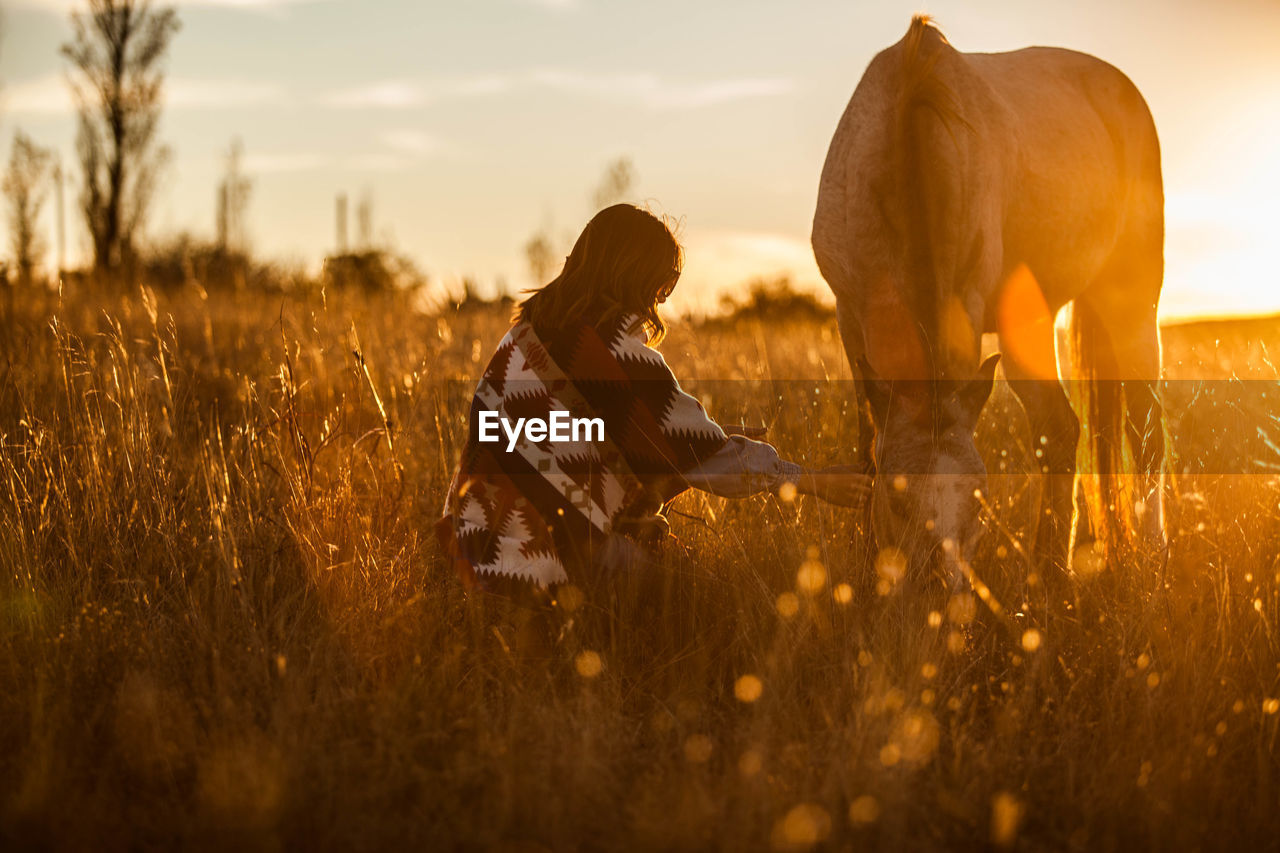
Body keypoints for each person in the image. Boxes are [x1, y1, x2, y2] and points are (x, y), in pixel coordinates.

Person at [436, 204, 868, 601]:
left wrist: (711, 440)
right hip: (540, 566)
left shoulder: (523, 337)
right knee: (701, 595)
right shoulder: (611, 351)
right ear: (635, 274)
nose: (663, 297)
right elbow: (704, 458)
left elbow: (602, 446)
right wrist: (812, 480)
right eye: (665, 282)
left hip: (466, 548)